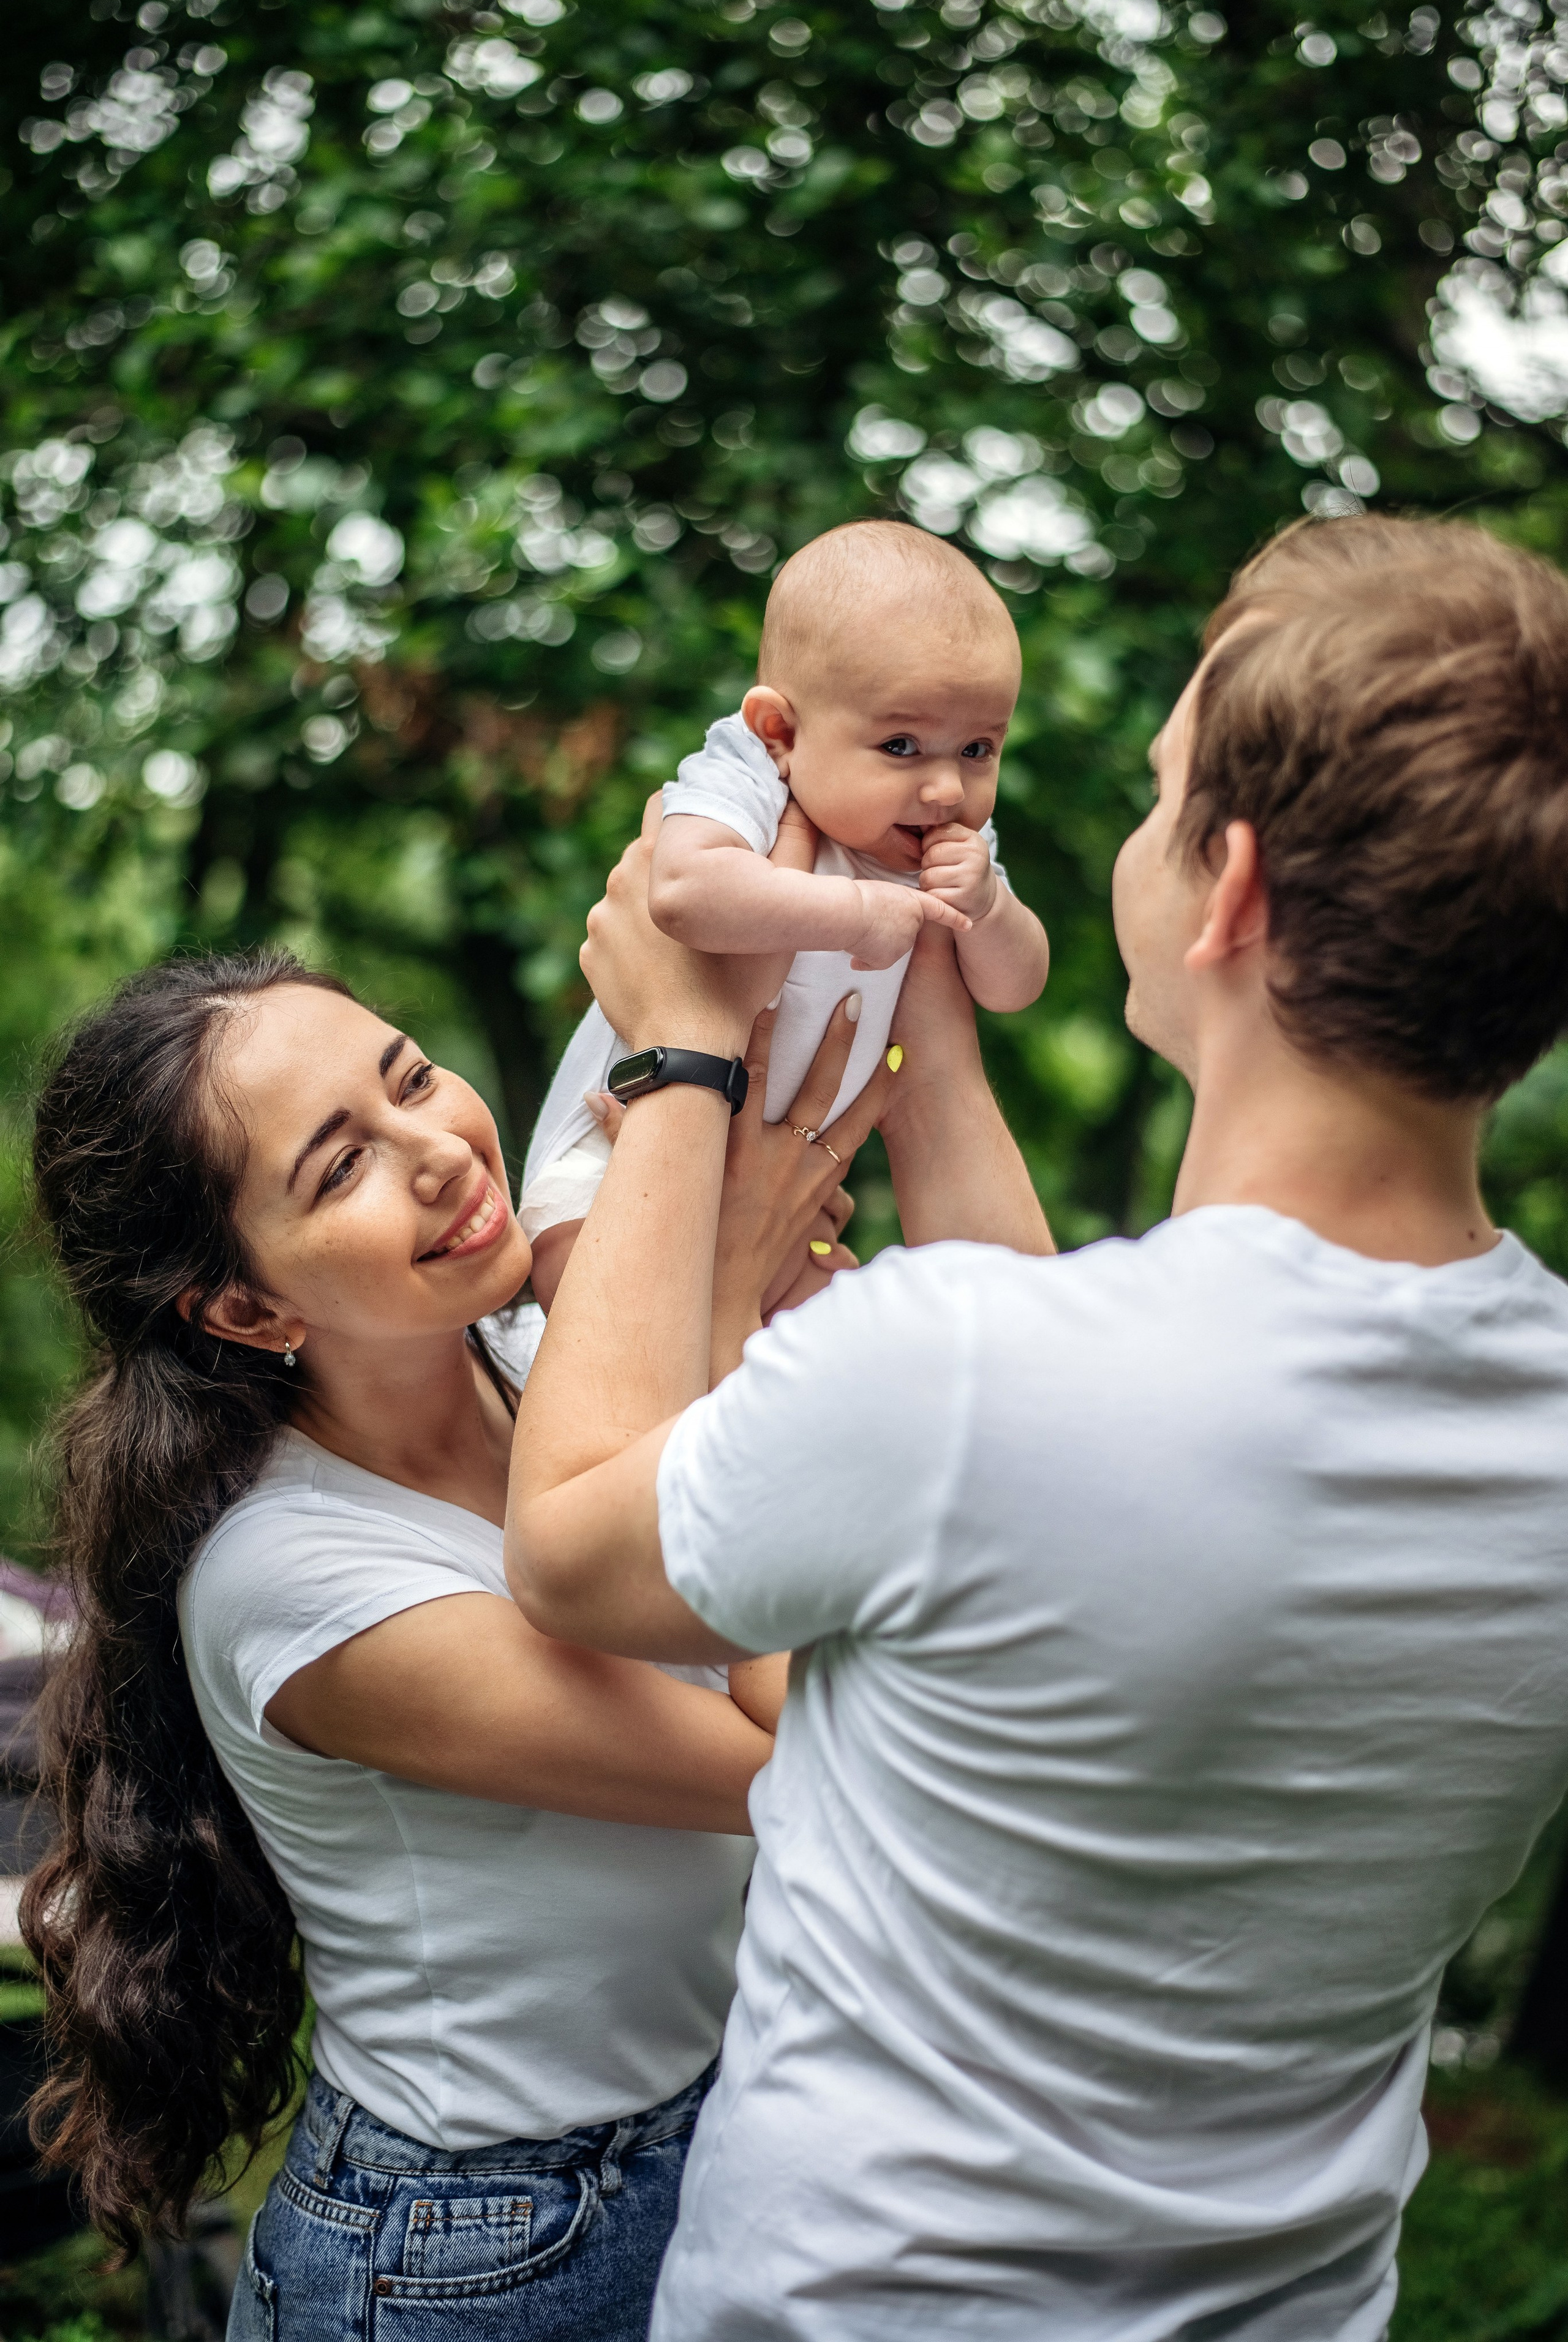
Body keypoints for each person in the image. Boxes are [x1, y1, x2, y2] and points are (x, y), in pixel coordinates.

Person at [507, 514, 1568, 2340]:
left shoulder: (961, 1389)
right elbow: (1059, 1362)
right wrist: (919, 985)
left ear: (1224, 892)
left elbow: (573, 1544)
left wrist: (678, 1052)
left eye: (1155, 799)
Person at [20, 946, 885, 2341]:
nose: (435, 1147)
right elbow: (791, 1753)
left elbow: (688, 921)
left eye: (411, 1074)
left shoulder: (547, 1369)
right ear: (246, 1306)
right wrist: (720, 1325)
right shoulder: (293, 1579)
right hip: (479, 2242)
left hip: (708, 2131)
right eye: (338, 1164)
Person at [517, 522, 1049, 1308]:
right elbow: (684, 891)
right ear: (781, 732)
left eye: (977, 749)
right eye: (901, 745)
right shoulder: (748, 781)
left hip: (784, 1188)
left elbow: (1015, 986)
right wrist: (854, 910)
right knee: (596, 1288)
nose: (946, 789)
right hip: (616, 1157)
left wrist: (991, 904)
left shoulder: (954, 843)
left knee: (839, 1339)